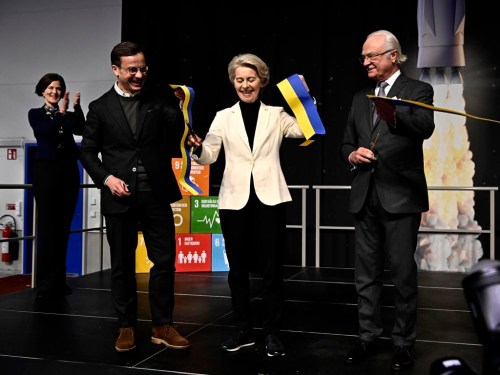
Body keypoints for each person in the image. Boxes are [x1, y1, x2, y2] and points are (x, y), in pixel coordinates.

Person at [186, 53, 311, 357]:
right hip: (234, 201)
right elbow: (209, 155)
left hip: (270, 199)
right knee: (237, 271)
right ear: (233, 83)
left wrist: (305, 99)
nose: (245, 84)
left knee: (272, 271)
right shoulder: (223, 116)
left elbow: (307, 130)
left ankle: (273, 333)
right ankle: (242, 329)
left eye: (250, 79)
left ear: (262, 81)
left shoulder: (278, 114)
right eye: (239, 79)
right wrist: (198, 147)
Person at [79, 41, 190, 352]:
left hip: (156, 194)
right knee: (122, 265)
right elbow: (87, 151)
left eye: (143, 68)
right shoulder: (99, 108)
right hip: (119, 199)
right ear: (115, 70)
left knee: (165, 261)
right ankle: (126, 326)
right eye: (132, 69)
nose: (139, 74)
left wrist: (175, 103)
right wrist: (106, 178)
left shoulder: (159, 98)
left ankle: (162, 325)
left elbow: (176, 130)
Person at [341, 30, 435, 371]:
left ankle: (403, 343)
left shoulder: (418, 90)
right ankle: (368, 336)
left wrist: (394, 115)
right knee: (365, 275)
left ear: (393, 56)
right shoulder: (358, 96)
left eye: (372, 56)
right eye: (364, 57)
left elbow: (425, 127)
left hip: (401, 197)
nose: (365, 62)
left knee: (403, 274)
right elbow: (345, 143)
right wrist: (352, 155)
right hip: (365, 197)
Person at [28, 73, 85, 299]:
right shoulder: (36, 114)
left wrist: (77, 108)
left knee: (62, 230)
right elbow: (49, 132)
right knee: (47, 230)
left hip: (68, 174)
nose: (54, 91)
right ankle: (45, 285)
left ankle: (59, 282)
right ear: (42, 91)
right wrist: (61, 115)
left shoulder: (68, 115)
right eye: (50, 88)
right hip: (46, 175)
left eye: (58, 88)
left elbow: (81, 129)